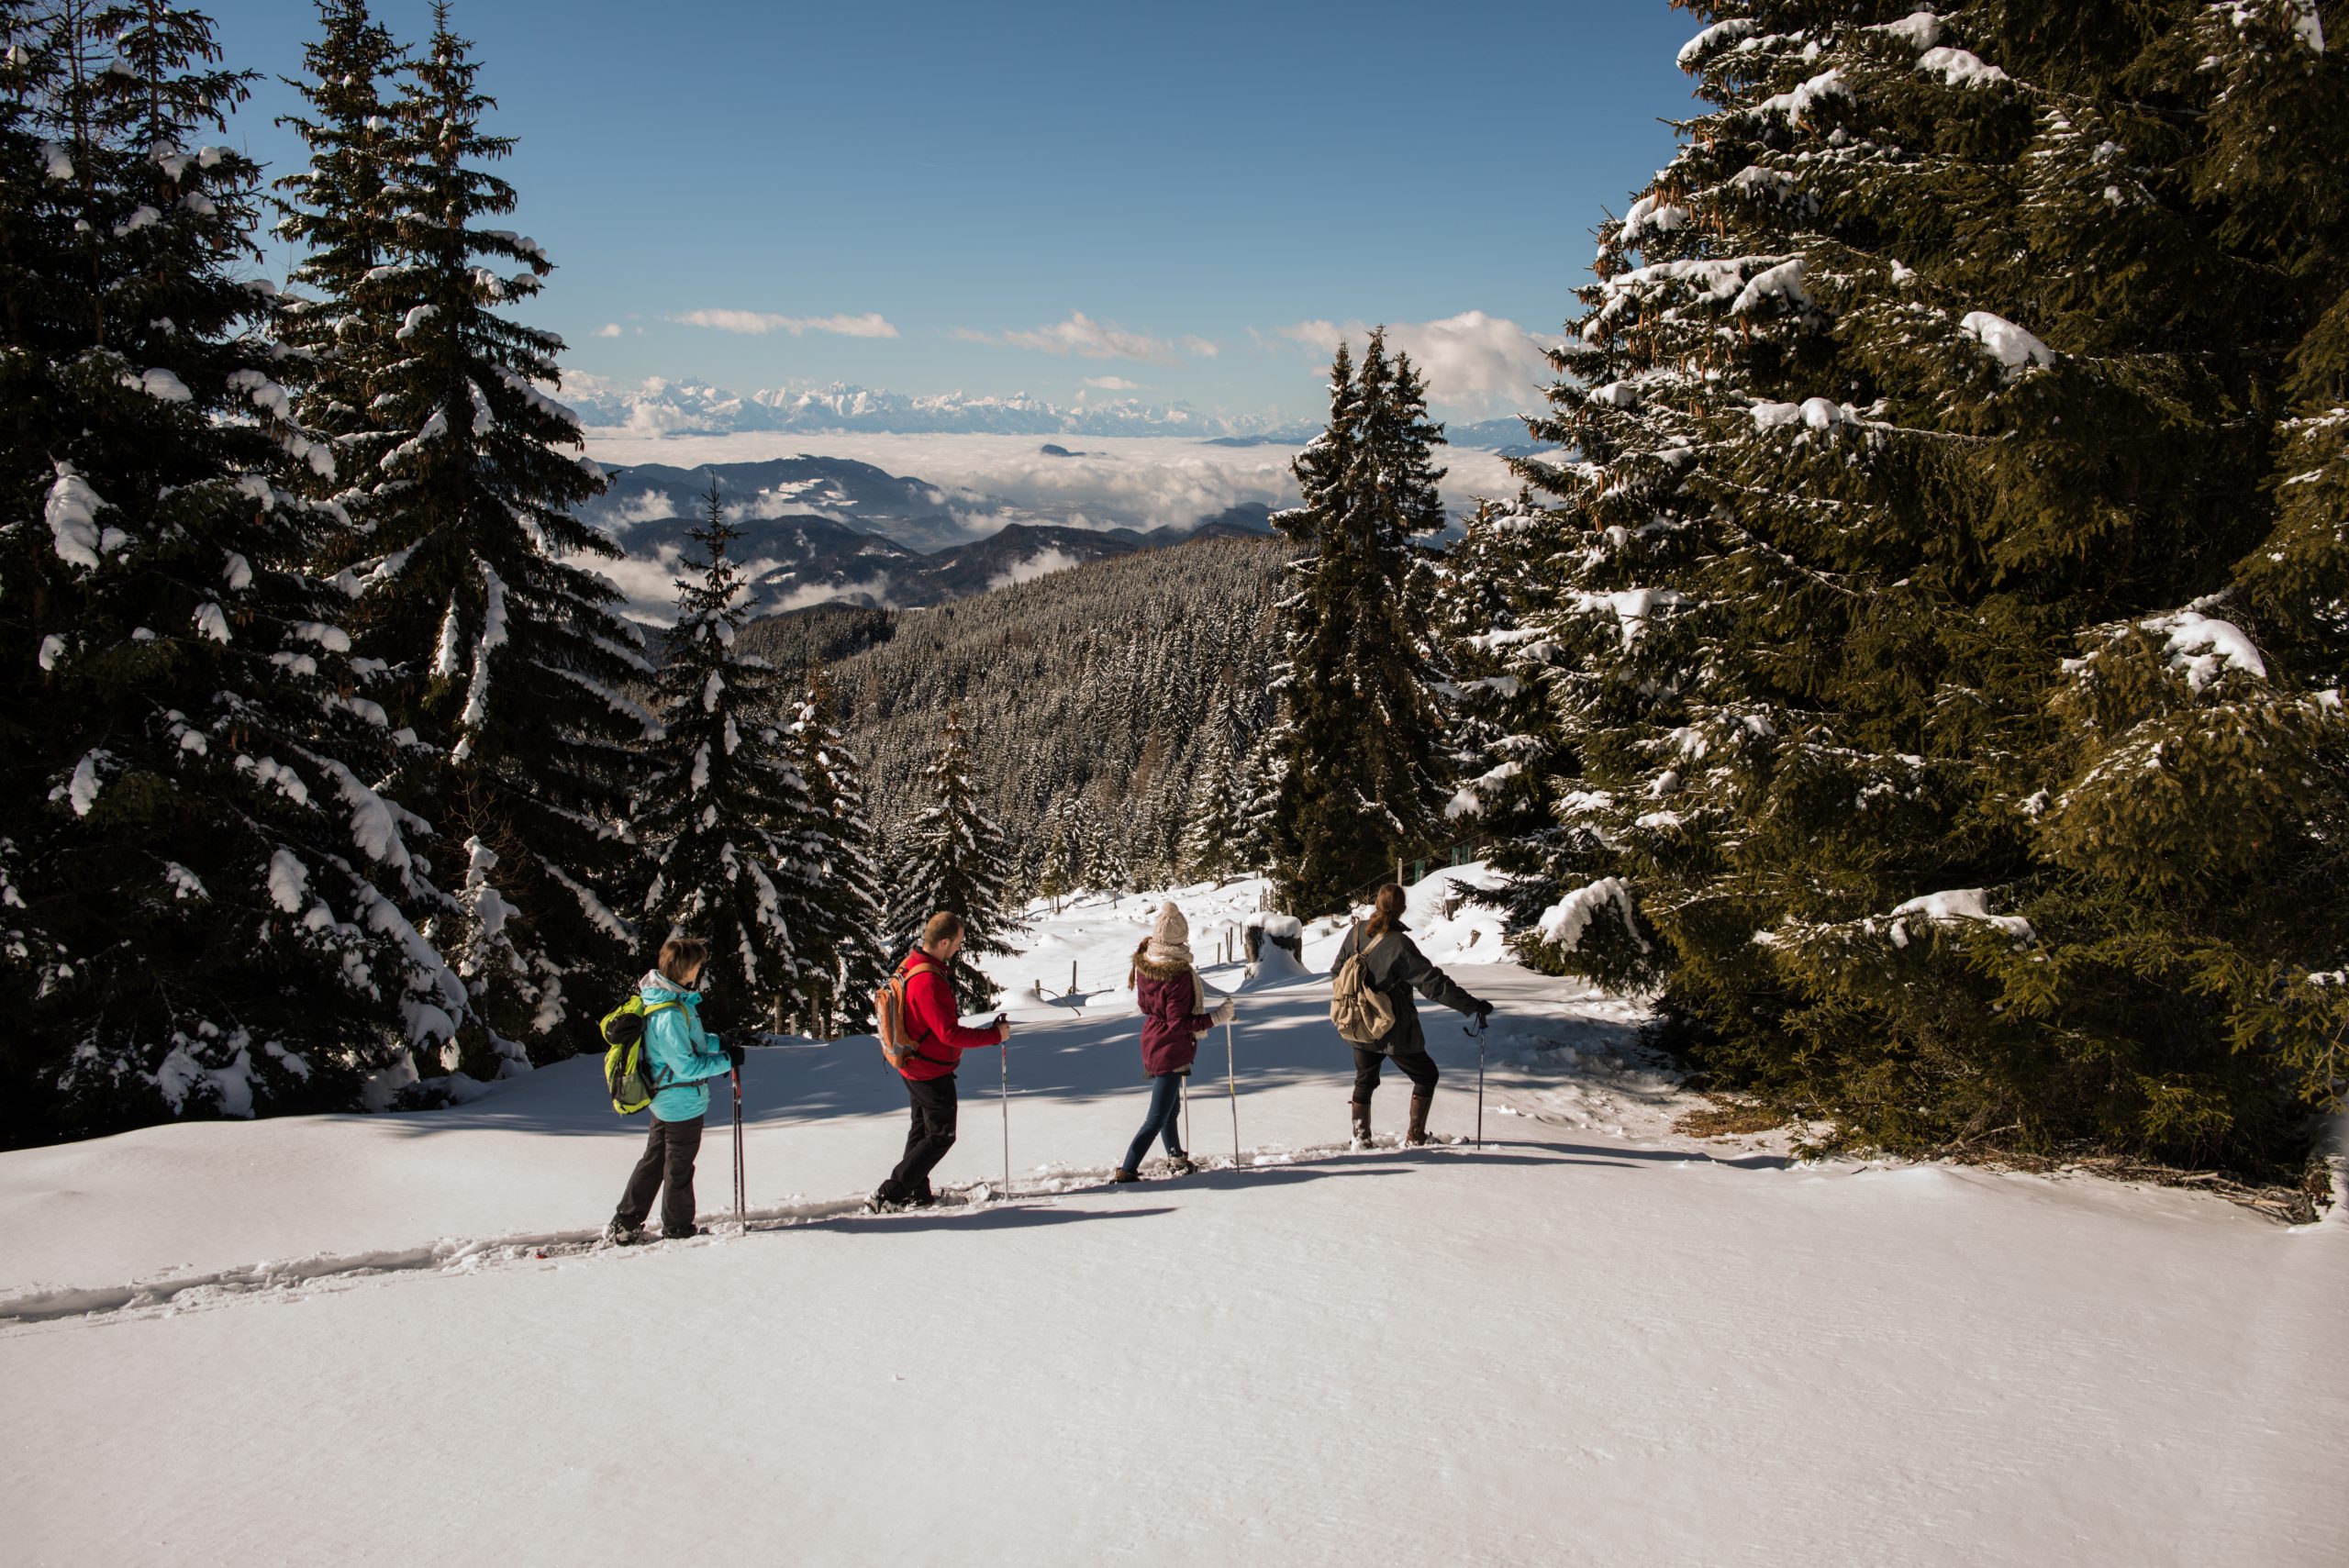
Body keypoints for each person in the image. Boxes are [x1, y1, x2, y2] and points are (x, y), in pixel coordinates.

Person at [606, 937, 745, 1244]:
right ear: (684, 969)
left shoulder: (670, 1001)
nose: (699, 969)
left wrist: (720, 1042)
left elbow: (690, 1042)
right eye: (697, 964)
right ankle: (678, 1227)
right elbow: (687, 1066)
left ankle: (626, 1221)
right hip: (680, 1100)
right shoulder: (667, 1013)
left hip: (670, 1097)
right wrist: (726, 1060)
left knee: (656, 1159)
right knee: (678, 1165)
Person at [870, 911, 1010, 1211]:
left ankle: (916, 1192)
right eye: (957, 942)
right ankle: (891, 1192)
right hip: (929, 1069)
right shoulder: (928, 981)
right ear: (944, 941)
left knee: (921, 1131)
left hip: (913, 1063)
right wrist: (995, 1036)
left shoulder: (912, 963)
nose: (959, 947)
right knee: (941, 1135)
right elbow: (949, 1033)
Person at [1334, 884, 1491, 1148]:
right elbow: (1433, 984)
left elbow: (1337, 970)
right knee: (1426, 1076)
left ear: (1376, 902)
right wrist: (1472, 1005)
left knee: (1364, 1080)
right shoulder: (1400, 944)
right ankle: (1415, 1136)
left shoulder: (1356, 932)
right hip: (1392, 1026)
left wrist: (1361, 998)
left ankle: (1361, 1139)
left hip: (1358, 1023)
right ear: (1402, 909)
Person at [1119, 902, 1234, 1182]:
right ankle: (1128, 1169)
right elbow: (1179, 1024)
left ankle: (1176, 1157)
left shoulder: (1147, 964)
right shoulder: (1177, 974)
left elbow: (1148, 1007)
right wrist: (1217, 1017)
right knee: (1157, 1116)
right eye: (1184, 937)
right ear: (1178, 939)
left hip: (1153, 1040)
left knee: (1171, 1109)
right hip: (1169, 1048)